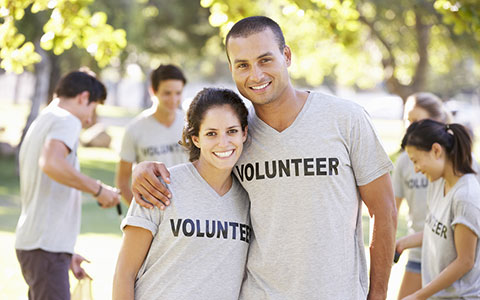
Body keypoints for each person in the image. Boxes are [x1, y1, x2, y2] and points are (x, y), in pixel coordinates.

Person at [131, 16, 396, 299]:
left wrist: (377, 294)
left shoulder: (346, 118)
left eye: (265, 60)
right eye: (242, 65)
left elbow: (384, 210)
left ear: (287, 56)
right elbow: (196, 177)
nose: (255, 75)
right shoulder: (235, 136)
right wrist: (143, 170)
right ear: (231, 68)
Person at [112, 88, 250, 300]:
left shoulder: (251, 197)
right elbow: (124, 273)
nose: (223, 142)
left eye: (231, 131)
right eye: (211, 133)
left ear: (244, 133)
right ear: (196, 139)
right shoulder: (158, 186)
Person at [15, 70, 120, 300]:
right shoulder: (67, 119)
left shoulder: (45, 119)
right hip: (45, 248)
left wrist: (66, 251)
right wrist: (99, 190)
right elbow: (51, 163)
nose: (90, 119)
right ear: (83, 98)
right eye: (93, 108)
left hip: (41, 246)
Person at [396, 119, 480, 299]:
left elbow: (465, 261)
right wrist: (403, 243)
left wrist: (418, 295)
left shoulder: (465, 197)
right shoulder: (437, 182)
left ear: (436, 150)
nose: (416, 169)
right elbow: (439, 231)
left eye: (416, 161)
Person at [393, 93, 452, 299]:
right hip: (418, 254)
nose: (410, 127)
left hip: (450, 257)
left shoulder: (456, 166)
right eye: (407, 121)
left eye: (415, 121)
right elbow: (392, 210)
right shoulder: (404, 161)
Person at [115, 64, 188, 204]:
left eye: (178, 93)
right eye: (167, 93)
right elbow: (122, 181)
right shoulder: (134, 129)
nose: (173, 99)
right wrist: (141, 214)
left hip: (189, 211)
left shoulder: (192, 124)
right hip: (155, 211)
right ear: (153, 91)